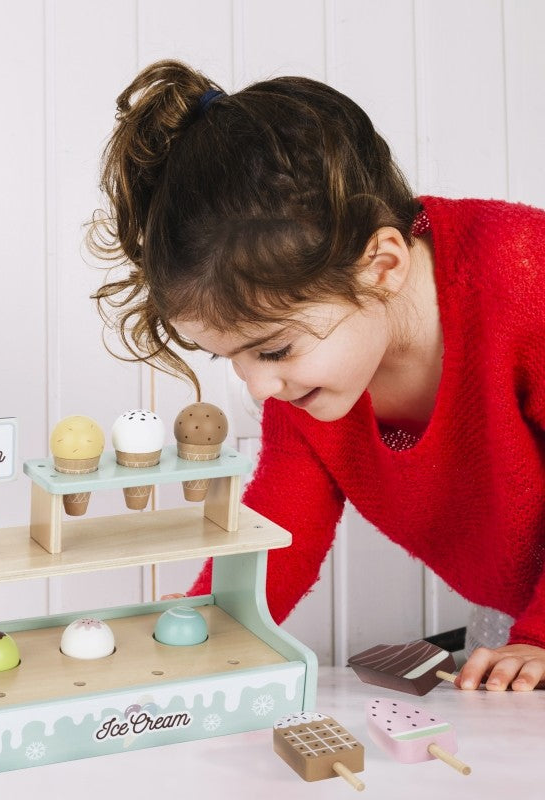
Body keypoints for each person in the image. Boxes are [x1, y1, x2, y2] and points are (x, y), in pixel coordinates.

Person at [88, 59, 545, 692]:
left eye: (274, 350)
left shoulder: (524, 280)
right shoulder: (313, 383)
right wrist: (207, 626)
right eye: (230, 357)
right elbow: (284, 521)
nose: (257, 388)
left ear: (382, 266)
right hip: (519, 619)